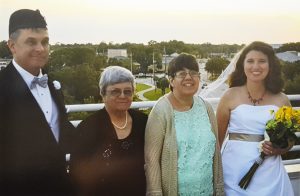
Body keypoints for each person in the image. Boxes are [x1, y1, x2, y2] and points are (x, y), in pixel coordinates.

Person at [0, 9, 75, 195]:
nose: (41, 48)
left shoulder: (53, 85)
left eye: (45, 42)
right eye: (31, 42)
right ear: (12, 46)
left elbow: (60, 130)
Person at [217, 41, 294, 195]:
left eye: (262, 61)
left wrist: (277, 149)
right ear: (242, 65)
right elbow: (217, 140)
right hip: (233, 171)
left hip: (270, 174)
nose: (255, 66)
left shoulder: (282, 100)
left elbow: (290, 142)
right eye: (250, 61)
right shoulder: (229, 96)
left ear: (270, 65)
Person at [144, 53, 224, 196]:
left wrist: (219, 189)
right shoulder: (161, 111)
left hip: (207, 191)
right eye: (182, 74)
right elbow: (151, 161)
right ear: (171, 80)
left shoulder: (206, 108)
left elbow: (215, 152)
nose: (189, 77)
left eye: (193, 73)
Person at [72, 66, 147, 195]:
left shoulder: (143, 122)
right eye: (115, 91)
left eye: (127, 91)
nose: (122, 96)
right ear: (103, 94)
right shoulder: (88, 128)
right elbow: (77, 175)